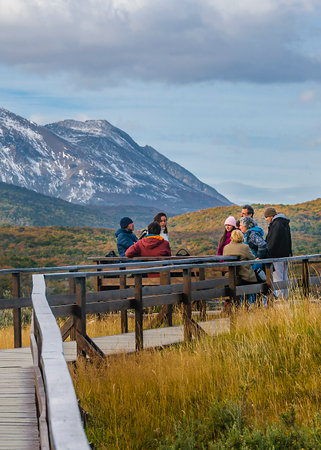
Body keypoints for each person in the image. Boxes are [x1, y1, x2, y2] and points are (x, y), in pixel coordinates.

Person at [264, 207, 292, 299]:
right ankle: (285, 297)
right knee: (284, 277)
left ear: (271, 216)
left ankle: (280, 298)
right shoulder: (284, 223)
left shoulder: (276, 224)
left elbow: (273, 241)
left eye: (267, 217)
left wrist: (268, 253)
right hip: (285, 255)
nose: (266, 219)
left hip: (277, 256)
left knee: (277, 277)